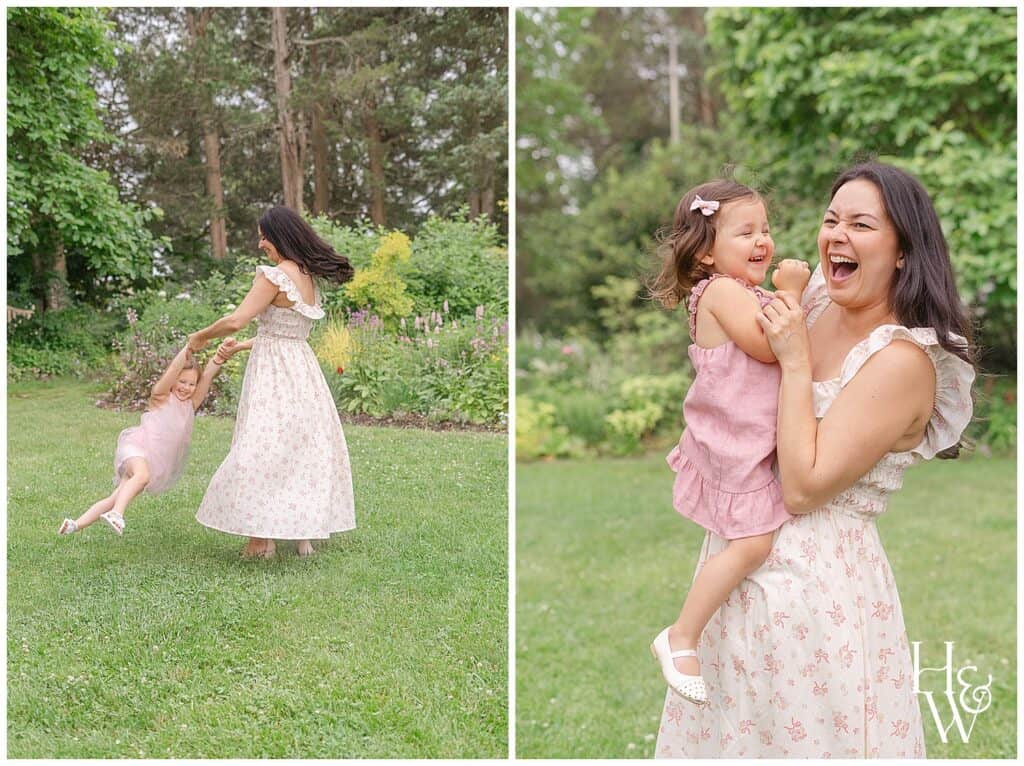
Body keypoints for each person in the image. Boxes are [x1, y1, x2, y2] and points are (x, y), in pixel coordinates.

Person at [655, 162, 975, 757]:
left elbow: (803, 488)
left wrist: (796, 360)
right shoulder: (818, 305)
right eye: (831, 220)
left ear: (903, 250)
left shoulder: (904, 360)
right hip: (740, 559)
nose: (836, 236)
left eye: (861, 224)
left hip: (817, 590)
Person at [647, 180, 811, 705]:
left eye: (765, 229)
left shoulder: (744, 292)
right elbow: (770, 347)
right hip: (733, 442)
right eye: (745, 232)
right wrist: (790, 291)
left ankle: (688, 636)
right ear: (707, 252)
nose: (762, 240)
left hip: (749, 437)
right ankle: (680, 636)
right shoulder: (720, 292)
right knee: (754, 543)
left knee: (757, 542)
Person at [189, 205, 356, 559]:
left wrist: (200, 336)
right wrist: (245, 346)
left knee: (258, 447)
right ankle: (300, 534)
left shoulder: (275, 276)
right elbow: (287, 332)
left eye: (264, 236)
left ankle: (260, 540)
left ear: (279, 236)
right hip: (301, 370)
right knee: (297, 448)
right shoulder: (307, 277)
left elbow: (236, 320)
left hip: (274, 375)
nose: (260, 243)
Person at [58, 339, 240, 536]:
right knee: (141, 477)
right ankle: (116, 515)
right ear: (173, 382)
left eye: (191, 384)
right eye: (182, 381)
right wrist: (187, 350)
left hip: (151, 461)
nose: (186, 387)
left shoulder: (190, 405)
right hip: (135, 448)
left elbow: (207, 377)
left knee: (116, 496)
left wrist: (220, 357)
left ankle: (75, 524)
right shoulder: (161, 398)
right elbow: (171, 372)